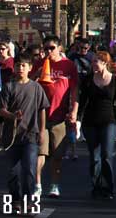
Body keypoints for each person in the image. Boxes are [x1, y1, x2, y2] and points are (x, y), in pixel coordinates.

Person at [0, 53, 49, 212]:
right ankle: (15, 199)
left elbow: (42, 110)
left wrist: (41, 131)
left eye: (24, 65)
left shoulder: (36, 87)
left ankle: (29, 200)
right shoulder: (9, 86)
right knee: (13, 171)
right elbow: (1, 109)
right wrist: (12, 116)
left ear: (30, 68)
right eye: (18, 65)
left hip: (30, 135)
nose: (20, 68)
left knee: (29, 169)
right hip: (12, 137)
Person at [29, 35, 78, 199]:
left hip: (59, 116)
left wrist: (74, 111)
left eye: (52, 48)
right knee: (39, 153)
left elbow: (74, 91)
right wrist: (35, 74)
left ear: (59, 48)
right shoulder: (39, 64)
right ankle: (37, 185)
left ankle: (54, 185)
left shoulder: (68, 66)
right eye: (46, 48)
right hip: (40, 116)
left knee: (57, 155)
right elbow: (26, 83)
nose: (49, 51)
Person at [78, 51, 116, 199]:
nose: (93, 64)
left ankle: (108, 187)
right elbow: (82, 102)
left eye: (96, 62)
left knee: (106, 155)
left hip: (108, 121)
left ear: (105, 63)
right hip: (90, 122)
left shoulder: (115, 80)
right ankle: (96, 185)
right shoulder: (87, 80)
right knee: (94, 157)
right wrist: (78, 121)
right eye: (92, 62)